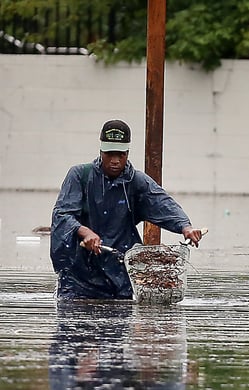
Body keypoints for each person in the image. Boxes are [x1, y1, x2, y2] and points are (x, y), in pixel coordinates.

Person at [50, 119, 205, 300]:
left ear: (128, 153)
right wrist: (84, 232)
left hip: (120, 276)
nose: (115, 161)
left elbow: (162, 203)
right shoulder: (79, 176)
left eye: (120, 155)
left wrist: (185, 227)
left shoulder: (136, 181)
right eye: (110, 154)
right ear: (101, 152)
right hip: (79, 279)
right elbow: (62, 214)